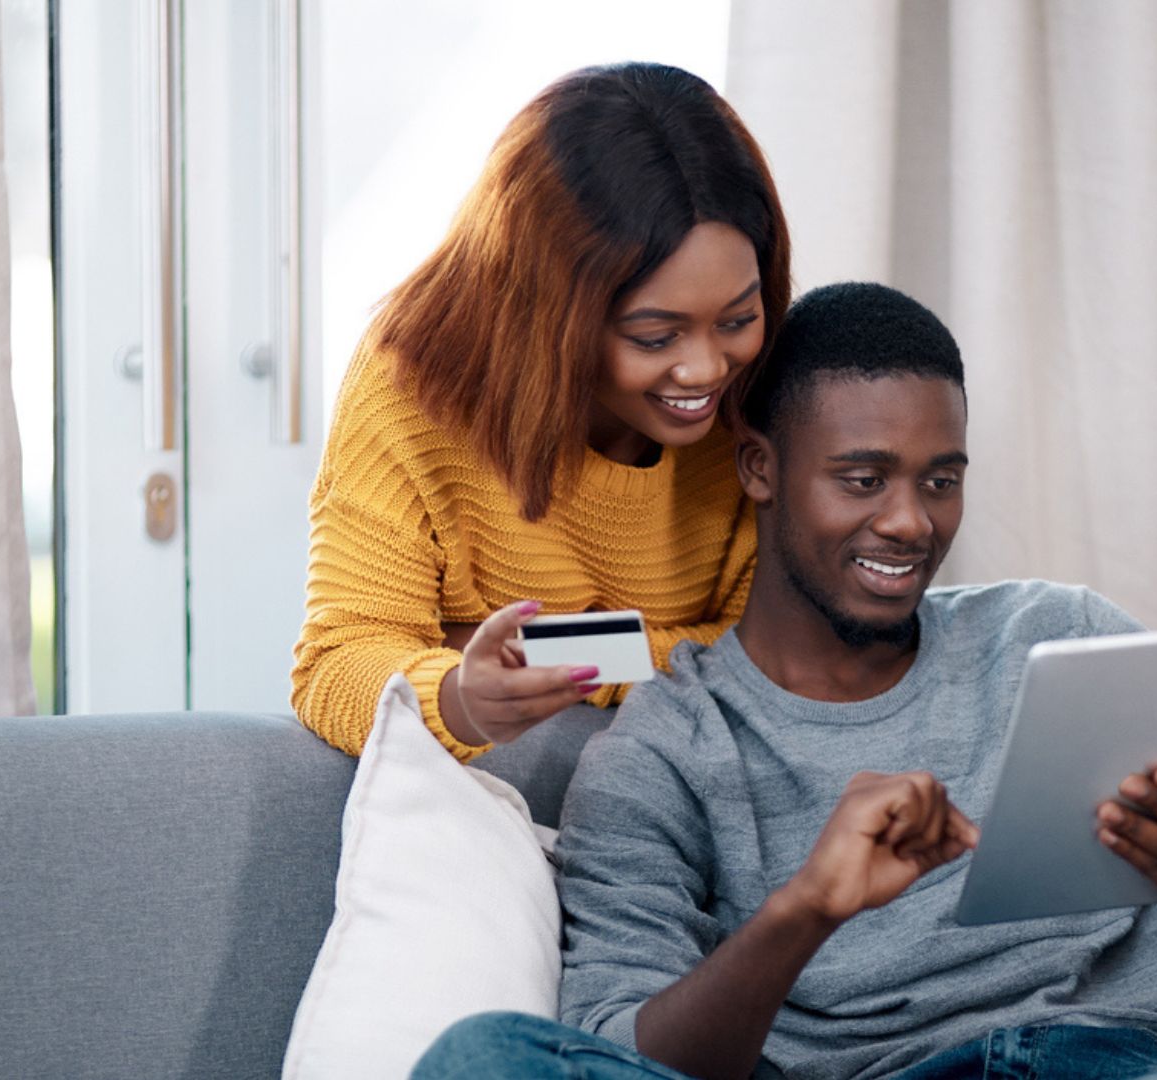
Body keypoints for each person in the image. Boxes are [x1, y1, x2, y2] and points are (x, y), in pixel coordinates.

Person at [414, 283, 1157, 1080]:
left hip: (1114, 1063)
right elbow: (625, 1049)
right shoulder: (667, 747)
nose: (912, 522)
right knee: (481, 1060)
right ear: (759, 467)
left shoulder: (1056, 635)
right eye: (864, 478)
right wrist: (808, 908)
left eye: (940, 479)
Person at [292, 63, 791, 762]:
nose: (707, 369)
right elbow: (338, 663)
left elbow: (778, 656)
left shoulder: (771, 386)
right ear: (548, 314)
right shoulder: (412, 385)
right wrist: (461, 698)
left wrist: (548, 651)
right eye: (655, 337)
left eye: (738, 318)